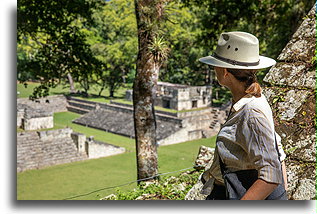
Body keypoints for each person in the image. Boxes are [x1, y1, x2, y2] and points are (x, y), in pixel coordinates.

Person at [198, 31, 288, 200]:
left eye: (215, 65)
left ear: (225, 72)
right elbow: (278, 150)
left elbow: (271, 176)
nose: (214, 69)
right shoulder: (250, 100)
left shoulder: (251, 112)